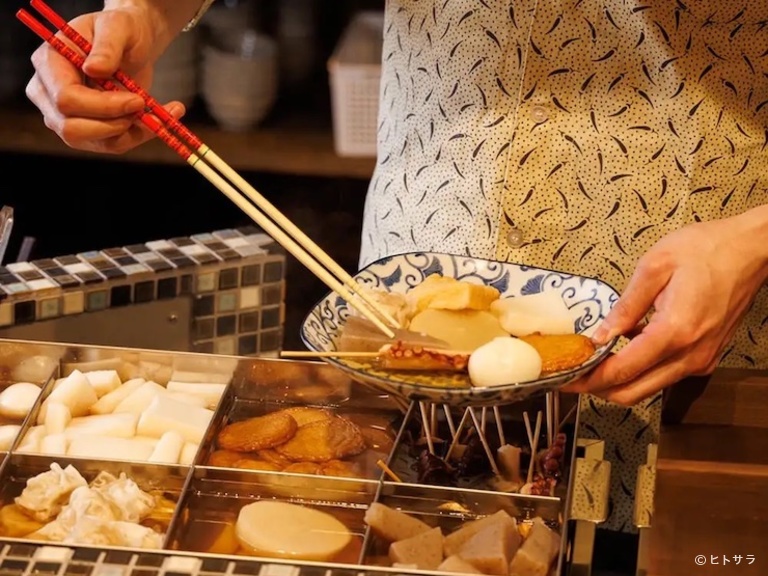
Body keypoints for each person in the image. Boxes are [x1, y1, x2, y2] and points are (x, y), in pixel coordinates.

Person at [26, 0, 768, 534]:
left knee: (677, 538)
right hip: (424, 240)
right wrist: (151, 12)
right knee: (423, 529)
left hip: (701, 255)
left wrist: (757, 238)